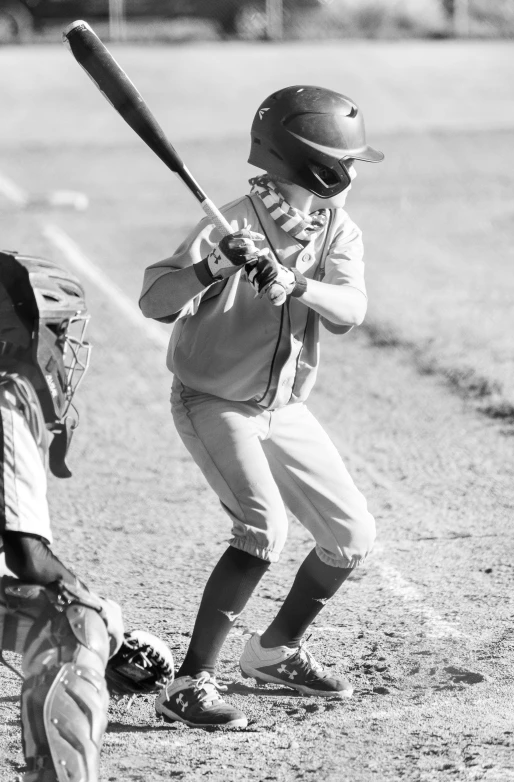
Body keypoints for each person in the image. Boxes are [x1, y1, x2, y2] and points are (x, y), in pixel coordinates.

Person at [140, 85, 384, 730]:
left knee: (351, 536)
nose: (355, 172)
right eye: (348, 161)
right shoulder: (231, 223)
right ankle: (188, 684)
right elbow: (154, 300)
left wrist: (295, 281)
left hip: (280, 407)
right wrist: (214, 267)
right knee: (261, 529)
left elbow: (350, 313)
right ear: (315, 165)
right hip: (213, 400)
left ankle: (274, 651)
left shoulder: (336, 228)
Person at [0, 250, 125, 782]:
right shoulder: (8, 399)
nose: (66, 345)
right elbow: (29, 559)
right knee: (72, 625)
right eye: (59, 330)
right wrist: (91, 601)